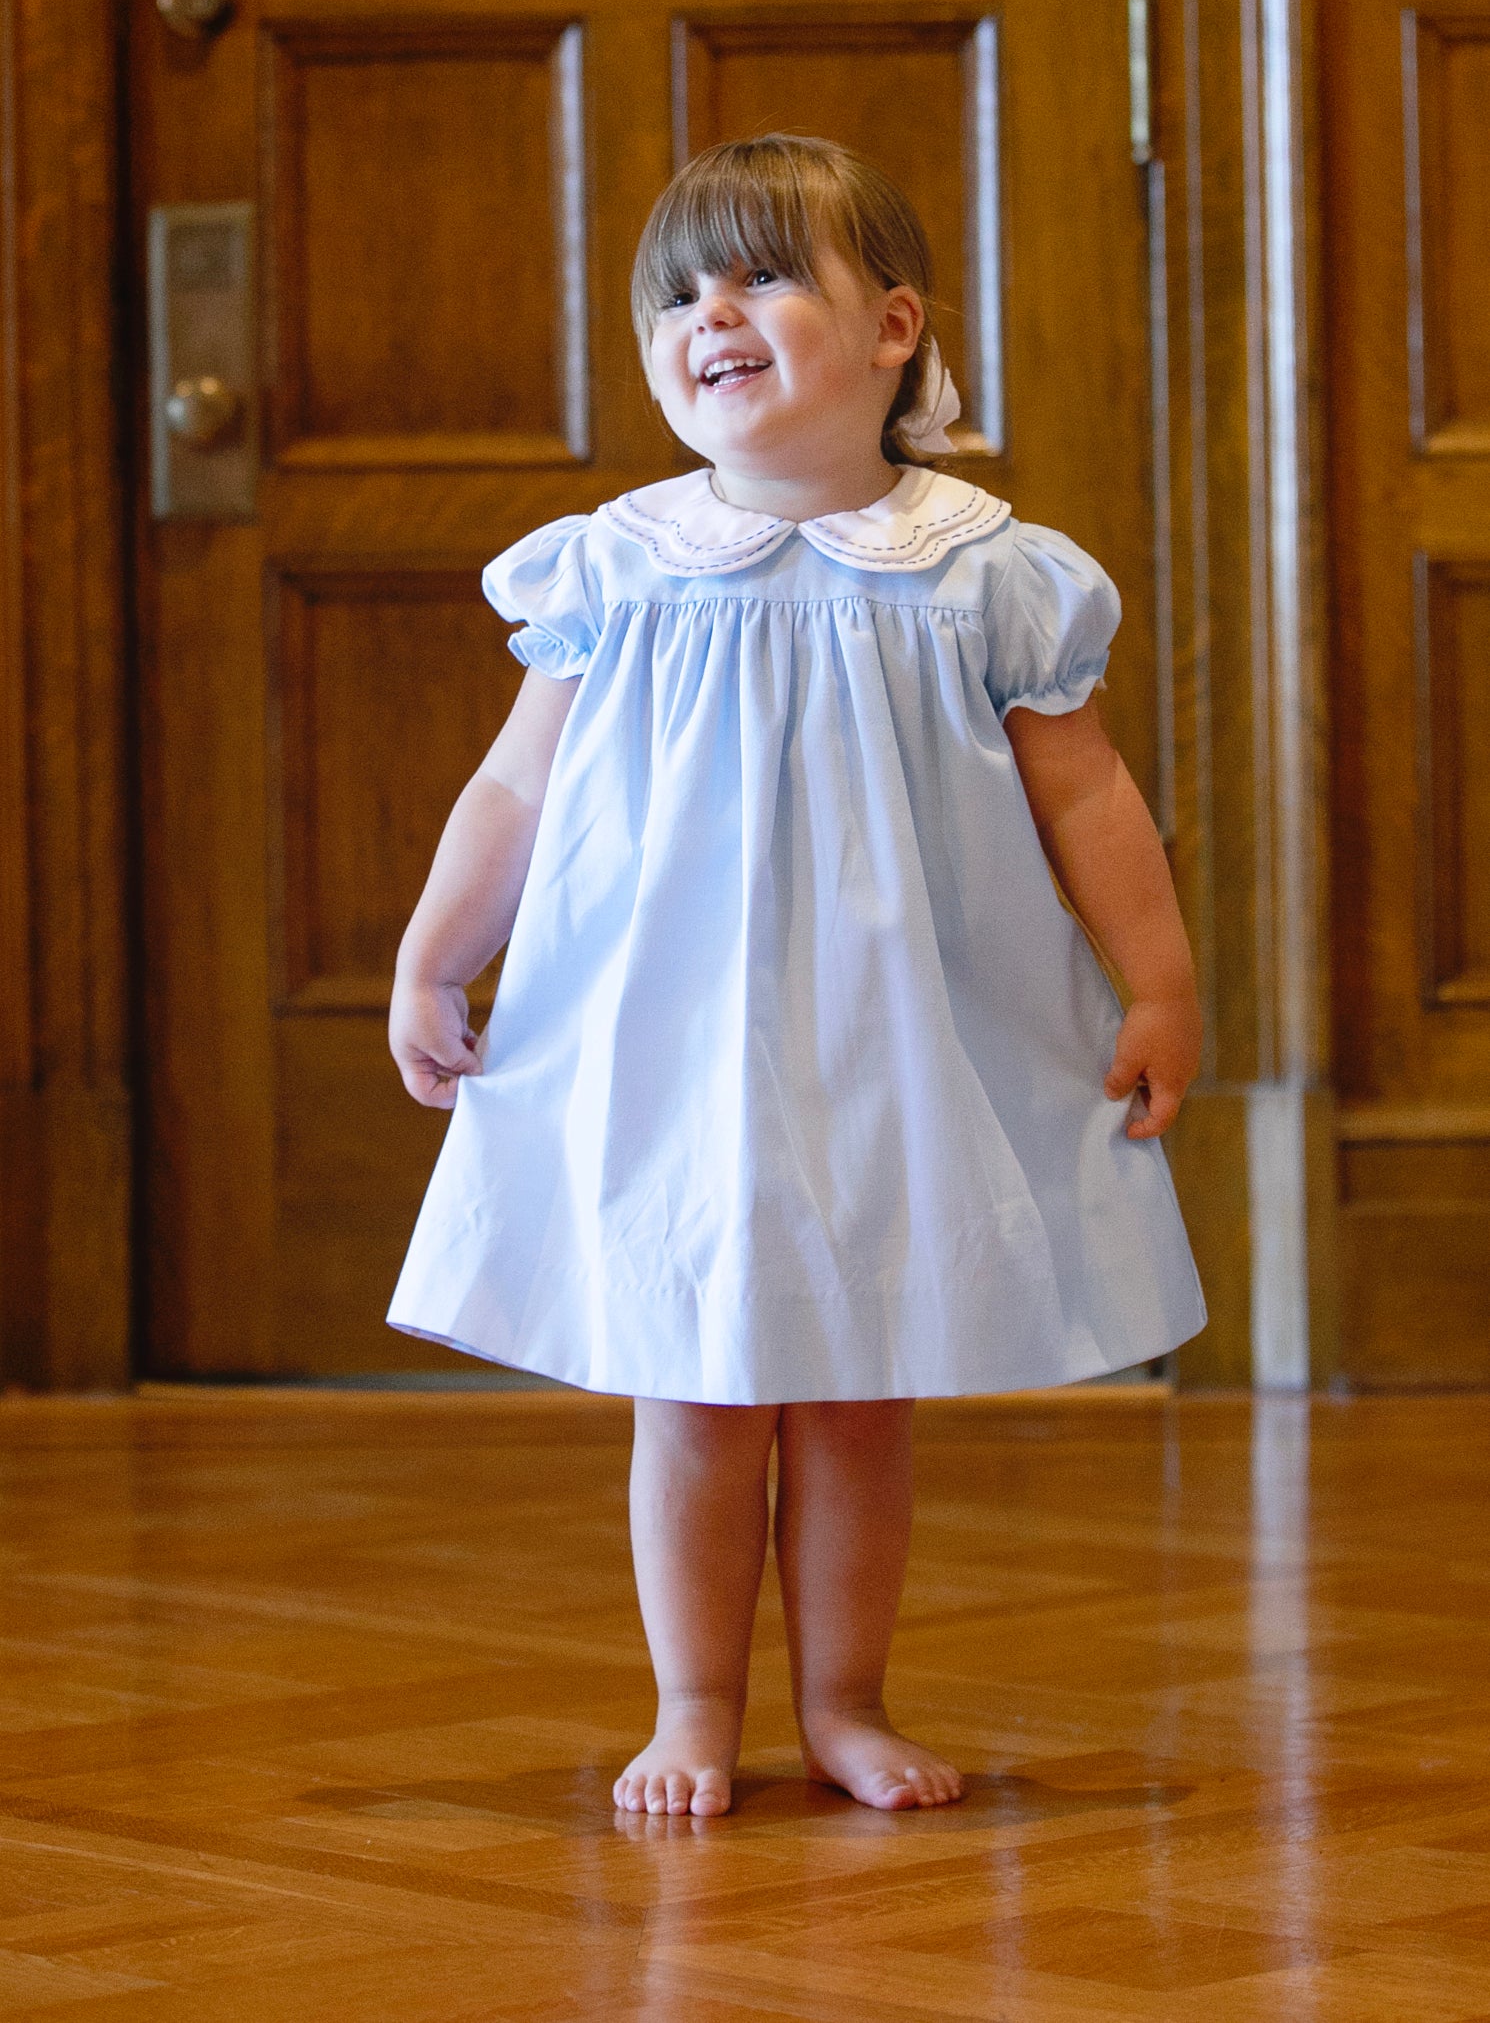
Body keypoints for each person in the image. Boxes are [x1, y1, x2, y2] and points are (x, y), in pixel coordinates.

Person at [386, 135, 1206, 1820]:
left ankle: (844, 1703)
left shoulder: (979, 572)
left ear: (893, 328)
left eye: (760, 277)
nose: (711, 313)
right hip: (674, 1047)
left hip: (893, 1049)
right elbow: (517, 788)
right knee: (694, 1394)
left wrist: (1158, 981)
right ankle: (694, 1706)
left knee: (852, 1399)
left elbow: (1086, 797)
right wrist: (436, 954)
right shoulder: (616, 566)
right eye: (677, 295)